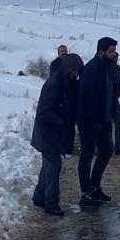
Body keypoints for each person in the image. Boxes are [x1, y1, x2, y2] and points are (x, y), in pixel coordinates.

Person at [30, 50, 80, 216]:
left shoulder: (69, 84)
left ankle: (39, 196)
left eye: (77, 71)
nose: (75, 74)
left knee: (49, 165)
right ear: (67, 69)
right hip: (47, 132)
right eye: (73, 70)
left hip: (55, 133)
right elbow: (43, 112)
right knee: (53, 165)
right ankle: (51, 204)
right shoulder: (53, 85)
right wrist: (61, 121)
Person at [76, 37, 120, 208]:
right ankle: (85, 193)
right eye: (111, 51)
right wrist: (93, 120)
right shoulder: (91, 70)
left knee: (107, 150)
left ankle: (94, 187)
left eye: (114, 51)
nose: (114, 54)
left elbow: (114, 92)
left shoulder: (109, 68)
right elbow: (87, 99)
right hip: (90, 120)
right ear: (101, 52)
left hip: (104, 119)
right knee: (87, 154)